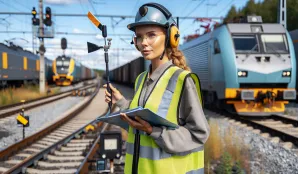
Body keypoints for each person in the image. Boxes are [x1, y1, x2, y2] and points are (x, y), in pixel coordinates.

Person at [104, 3, 210, 174]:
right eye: (139, 37)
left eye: (151, 35)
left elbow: (199, 134)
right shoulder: (141, 80)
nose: (143, 42)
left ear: (170, 37)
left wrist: (153, 131)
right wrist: (121, 102)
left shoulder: (182, 80)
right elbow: (142, 118)